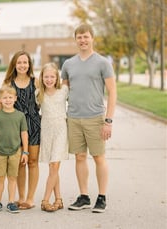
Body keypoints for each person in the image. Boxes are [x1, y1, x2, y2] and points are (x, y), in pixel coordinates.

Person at [61, 24, 117, 213]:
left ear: (92, 38)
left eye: (86, 37)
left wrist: (108, 121)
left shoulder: (102, 63)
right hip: (74, 118)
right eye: (79, 37)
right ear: (75, 39)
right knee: (79, 157)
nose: (83, 40)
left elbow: (112, 91)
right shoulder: (68, 64)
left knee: (99, 157)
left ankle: (101, 197)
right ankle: (83, 196)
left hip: (95, 118)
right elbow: (63, 92)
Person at [2, 50, 41, 209]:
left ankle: (30, 199)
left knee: (32, 161)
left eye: (25, 62)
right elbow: (1, 103)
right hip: (15, 127)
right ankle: (21, 197)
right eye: (19, 62)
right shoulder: (8, 83)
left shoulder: (36, 82)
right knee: (19, 163)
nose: (22, 65)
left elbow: (47, 100)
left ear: (29, 64)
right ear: (14, 64)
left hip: (33, 125)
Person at [0, 85, 29, 213]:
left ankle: (11, 202)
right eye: (4, 98)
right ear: (0, 100)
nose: (7, 100)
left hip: (15, 152)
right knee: (0, 178)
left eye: (10, 97)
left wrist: (25, 152)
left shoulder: (20, 116)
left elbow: (24, 134)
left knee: (12, 178)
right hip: (0, 152)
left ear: (15, 99)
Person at [36, 63, 69, 212]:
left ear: (57, 78)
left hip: (61, 130)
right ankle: (59, 199)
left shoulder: (64, 91)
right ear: (41, 78)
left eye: (52, 76)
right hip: (47, 132)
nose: (49, 79)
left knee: (54, 165)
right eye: (46, 76)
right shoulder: (39, 94)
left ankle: (45, 200)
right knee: (52, 168)